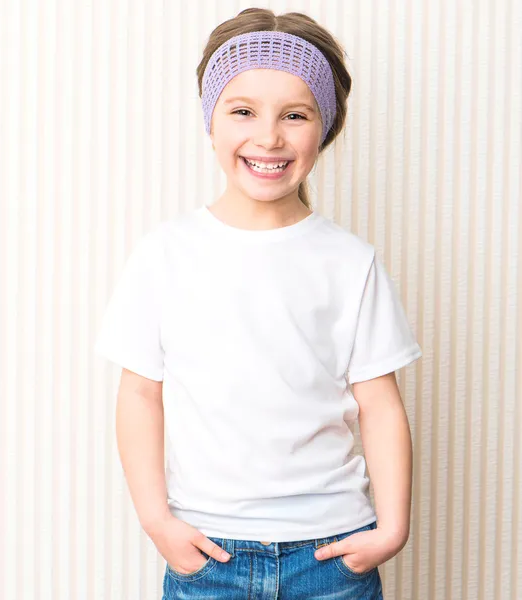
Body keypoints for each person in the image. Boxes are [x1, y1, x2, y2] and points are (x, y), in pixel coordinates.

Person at [94, 8, 422, 600]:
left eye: (294, 115)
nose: (268, 137)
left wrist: (391, 528)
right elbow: (140, 394)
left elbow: (380, 405)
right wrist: (156, 521)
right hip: (208, 551)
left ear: (324, 128)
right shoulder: (166, 253)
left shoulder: (351, 263)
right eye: (242, 111)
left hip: (331, 552)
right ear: (211, 122)